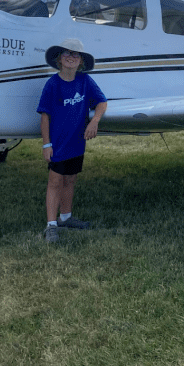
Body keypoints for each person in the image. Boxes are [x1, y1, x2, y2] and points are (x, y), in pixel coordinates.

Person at [37, 38, 108, 243]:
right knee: (55, 182)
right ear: (59, 59)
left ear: (80, 62)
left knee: (70, 180)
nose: (70, 57)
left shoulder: (84, 81)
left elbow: (102, 102)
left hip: (77, 143)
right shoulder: (53, 84)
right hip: (57, 144)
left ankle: (66, 217)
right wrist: (46, 144)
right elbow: (44, 116)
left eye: (75, 54)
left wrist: (94, 121)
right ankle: (51, 225)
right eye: (66, 53)